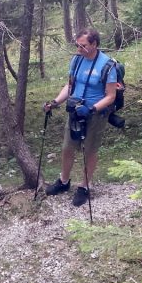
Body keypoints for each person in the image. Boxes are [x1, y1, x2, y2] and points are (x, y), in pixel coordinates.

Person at [43, 28, 118, 207]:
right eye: (77, 45)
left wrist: (92, 109)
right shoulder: (76, 61)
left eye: (82, 46)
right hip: (75, 111)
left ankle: (84, 186)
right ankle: (63, 181)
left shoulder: (108, 65)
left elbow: (110, 95)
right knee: (67, 147)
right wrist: (55, 102)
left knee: (90, 150)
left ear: (94, 44)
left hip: (95, 114)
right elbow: (69, 86)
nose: (79, 49)